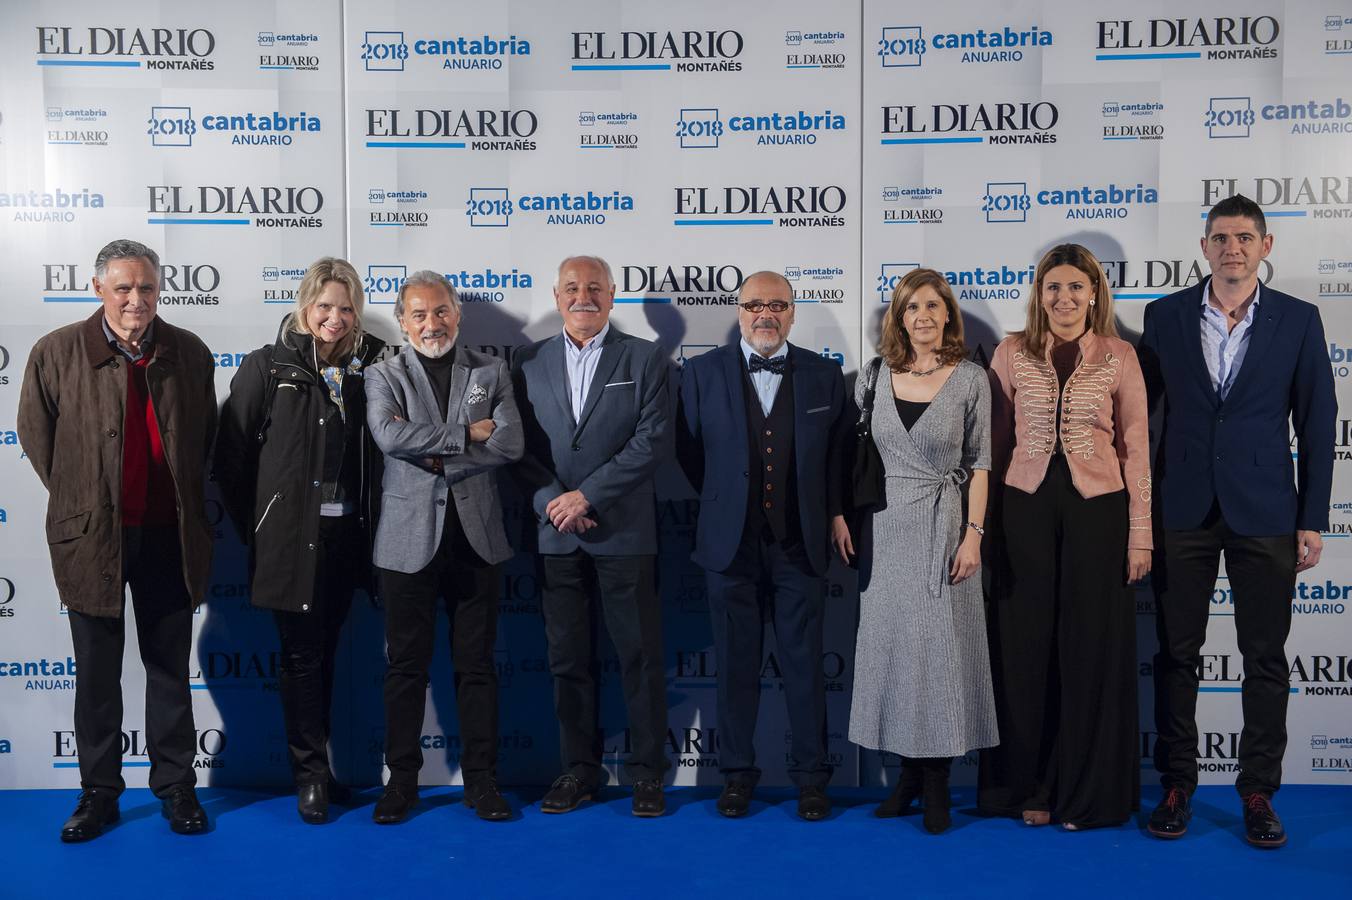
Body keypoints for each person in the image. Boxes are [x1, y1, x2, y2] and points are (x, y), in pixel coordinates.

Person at [1139, 195, 1335, 848]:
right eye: (1220, 236)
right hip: (1182, 507)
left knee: (1265, 659)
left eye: (1245, 237)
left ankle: (1258, 792)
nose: (1232, 247)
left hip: (1267, 510)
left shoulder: (1300, 321)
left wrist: (1312, 517)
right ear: (1204, 247)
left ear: (1266, 246)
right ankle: (1177, 786)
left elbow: (1315, 421)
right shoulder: (1163, 317)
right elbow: (1143, 425)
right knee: (1176, 655)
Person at [18, 239, 216, 841]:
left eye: (148, 288)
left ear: (161, 290)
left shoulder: (188, 351)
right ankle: (98, 792)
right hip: (92, 539)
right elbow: (37, 437)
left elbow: (203, 438)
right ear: (99, 288)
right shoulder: (56, 352)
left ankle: (177, 788)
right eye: (124, 288)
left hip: (168, 535)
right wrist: (87, 498)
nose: (137, 300)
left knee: (168, 670)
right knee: (97, 675)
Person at [978, 243, 1151, 830]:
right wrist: (982, 528)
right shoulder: (1009, 353)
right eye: (1053, 287)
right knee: (1024, 649)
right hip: (1022, 506)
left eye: (1076, 287)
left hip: (1099, 511)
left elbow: (1136, 447)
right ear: (1038, 295)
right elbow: (993, 446)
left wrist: (1141, 537)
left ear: (1095, 294)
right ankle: (1027, 786)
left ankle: (1087, 795)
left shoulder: (1120, 355)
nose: (1064, 298)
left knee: (1089, 649)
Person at [213, 257, 385, 824]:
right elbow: (231, 460)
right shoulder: (268, 366)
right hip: (292, 540)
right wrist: (263, 527)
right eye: (324, 306)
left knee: (327, 652)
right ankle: (309, 775)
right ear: (304, 307)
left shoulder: (376, 364)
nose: (335, 318)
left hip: (350, 536)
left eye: (345, 307)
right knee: (301, 657)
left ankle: (322, 769)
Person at [676, 270, 849, 821]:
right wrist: (729, 501)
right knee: (734, 667)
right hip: (729, 548)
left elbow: (838, 459)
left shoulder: (826, 376)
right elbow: (689, 455)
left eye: (777, 304)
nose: (765, 314)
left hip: (800, 545)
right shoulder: (699, 374)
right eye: (754, 304)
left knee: (804, 668)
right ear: (738, 311)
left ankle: (812, 780)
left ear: (793, 312)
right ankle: (736, 776)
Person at [511, 255, 671, 817]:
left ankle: (648, 776)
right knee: (568, 661)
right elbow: (519, 449)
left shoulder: (646, 358)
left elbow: (652, 441)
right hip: (555, 533)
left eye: (595, 288)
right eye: (573, 288)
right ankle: (577, 771)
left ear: (613, 296)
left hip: (623, 533)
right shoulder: (527, 361)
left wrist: (589, 497)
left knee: (640, 658)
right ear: (557, 297)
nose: (584, 297)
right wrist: (555, 503)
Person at [362, 270, 523, 824]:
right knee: (405, 668)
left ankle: (482, 782)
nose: (432, 324)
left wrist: (432, 448)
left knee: (476, 667)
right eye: (420, 315)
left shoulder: (491, 369)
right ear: (404, 322)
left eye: (441, 312)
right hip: (407, 542)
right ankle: (400, 783)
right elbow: (387, 435)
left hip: (476, 540)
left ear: (457, 314)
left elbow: (509, 442)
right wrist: (464, 434)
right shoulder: (382, 373)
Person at [847, 268, 997, 834]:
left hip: (946, 528)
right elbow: (855, 457)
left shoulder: (971, 379)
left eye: (934, 305)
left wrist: (974, 535)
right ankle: (909, 775)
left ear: (948, 315)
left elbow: (981, 463)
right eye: (913, 307)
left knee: (939, 657)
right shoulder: (873, 375)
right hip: (885, 532)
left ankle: (936, 782)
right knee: (896, 655)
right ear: (900, 317)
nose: (924, 316)